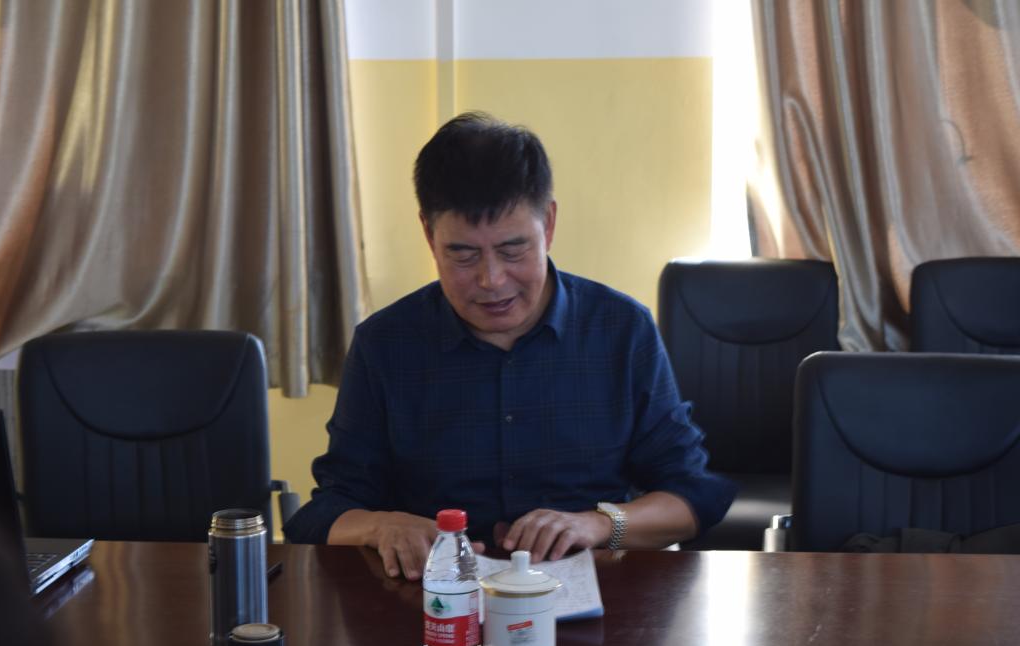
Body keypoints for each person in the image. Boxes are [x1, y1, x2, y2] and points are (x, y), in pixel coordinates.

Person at [283, 112, 736, 579]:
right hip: (434, 600)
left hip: (592, 597)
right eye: (463, 255)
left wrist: (599, 524)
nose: (492, 280)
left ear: (549, 224)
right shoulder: (385, 344)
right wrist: (382, 526)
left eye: (513, 250)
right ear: (429, 235)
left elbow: (692, 497)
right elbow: (326, 512)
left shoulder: (620, 329)